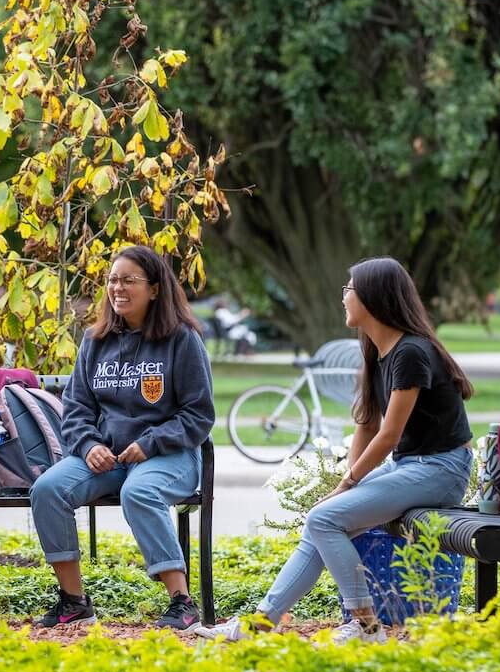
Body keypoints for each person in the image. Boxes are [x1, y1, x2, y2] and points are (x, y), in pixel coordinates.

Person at [195, 256, 474, 644]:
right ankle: (259, 625)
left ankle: (366, 626)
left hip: (442, 469)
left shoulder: (412, 352)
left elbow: (389, 434)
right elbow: (367, 424)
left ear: (373, 297)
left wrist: (349, 480)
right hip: (413, 466)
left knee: (325, 519)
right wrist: (346, 484)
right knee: (320, 520)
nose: (343, 297)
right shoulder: (379, 350)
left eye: (349, 289)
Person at [29, 245, 214, 630]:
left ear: (155, 289)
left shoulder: (182, 339)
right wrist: (89, 445)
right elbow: (77, 407)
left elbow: (198, 415)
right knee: (48, 489)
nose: (118, 288)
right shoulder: (95, 341)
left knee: (139, 492)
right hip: (108, 457)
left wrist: (150, 443)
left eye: (129, 280)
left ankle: (182, 601)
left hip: (169, 455)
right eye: (113, 280)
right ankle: (74, 600)